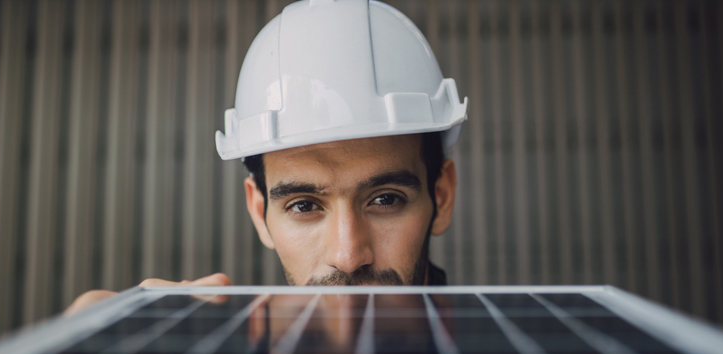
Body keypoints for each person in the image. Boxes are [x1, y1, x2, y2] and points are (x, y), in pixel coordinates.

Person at [67, 0, 468, 314]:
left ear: (443, 196)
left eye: (386, 199)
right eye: (304, 205)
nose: (347, 257)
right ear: (260, 212)